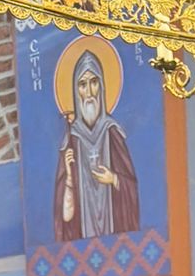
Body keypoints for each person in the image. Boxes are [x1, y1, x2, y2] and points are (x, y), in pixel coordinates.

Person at [54, 48, 141, 239]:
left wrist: (114, 179)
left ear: (101, 86)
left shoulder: (112, 133)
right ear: (76, 91)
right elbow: (65, 218)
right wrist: (69, 177)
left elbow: (132, 190)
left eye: (94, 82)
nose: (89, 92)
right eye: (82, 85)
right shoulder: (71, 140)